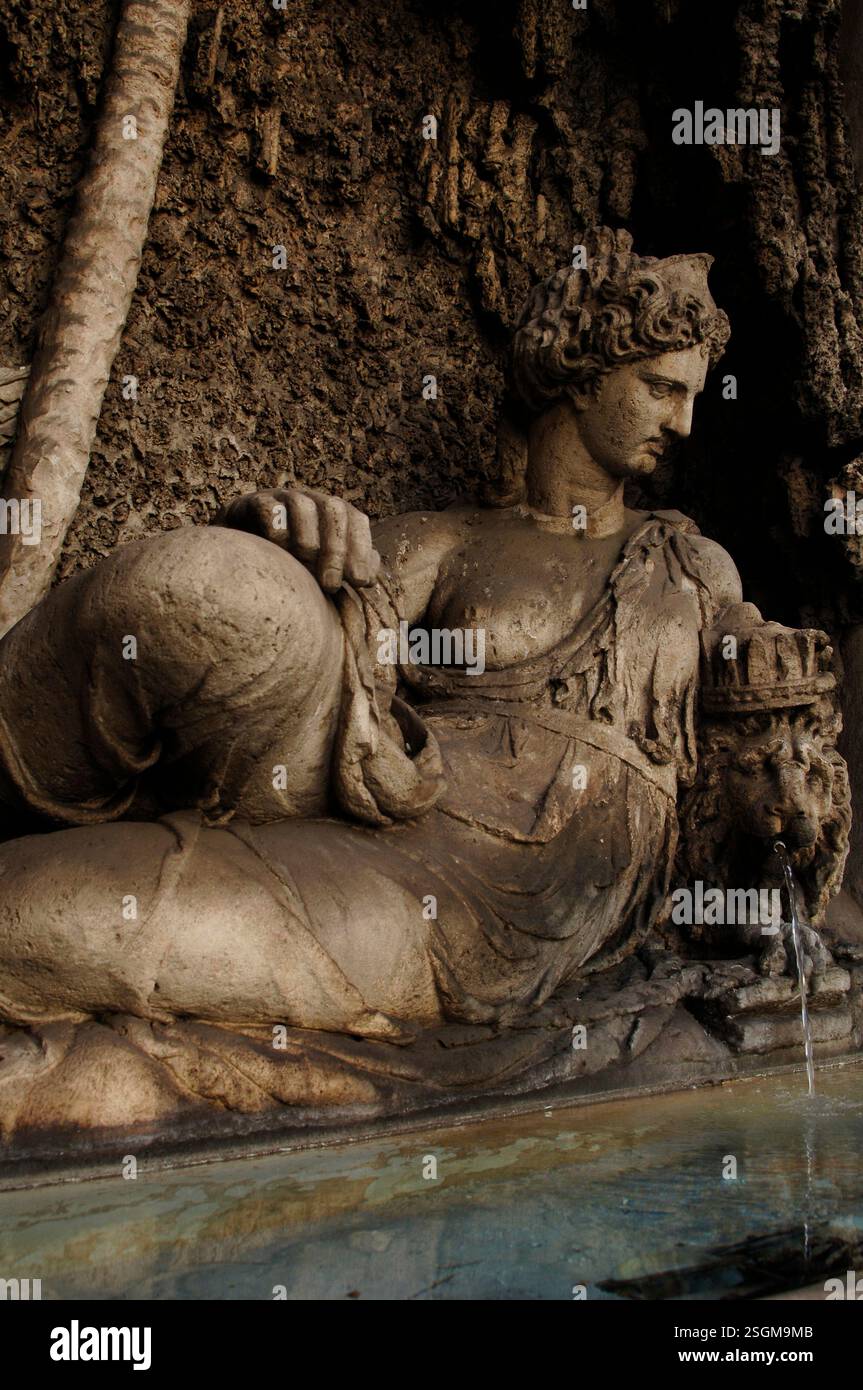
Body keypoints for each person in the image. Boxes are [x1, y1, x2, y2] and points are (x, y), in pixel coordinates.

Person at [0, 228, 745, 1040]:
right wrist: (282, 539)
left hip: (510, 894)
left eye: (695, 398)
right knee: (205, 583)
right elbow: (333, 673)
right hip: (393, 819)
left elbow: (764, 709)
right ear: (582, 372)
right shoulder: (438, 541)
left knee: (37, 917)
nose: (685, 425)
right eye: (662, 388)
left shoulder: (688, 561)